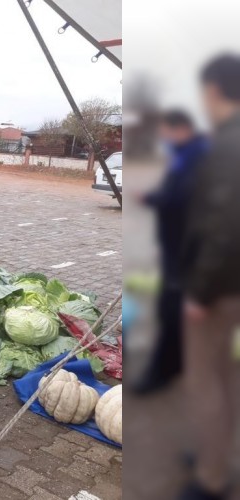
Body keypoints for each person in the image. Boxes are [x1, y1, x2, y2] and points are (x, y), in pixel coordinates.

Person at [179, 53, 240, 500]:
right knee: (226, 374)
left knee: (207, 378)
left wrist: (198, 292)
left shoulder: (227, 145)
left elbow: (221, 226)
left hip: (219, 288)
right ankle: (216, 451)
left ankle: (212, 476)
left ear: (215, 91)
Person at [132, 110, 207, 395]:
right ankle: (174, 364)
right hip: (177, 245)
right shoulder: (187, 153)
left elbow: (181, 198)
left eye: (167, 132)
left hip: (188, 248)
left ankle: (161, 373)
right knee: (172, 308)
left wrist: (151, 198)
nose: (165, 138)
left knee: (172, 309)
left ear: (181, 129)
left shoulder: (196, 156)